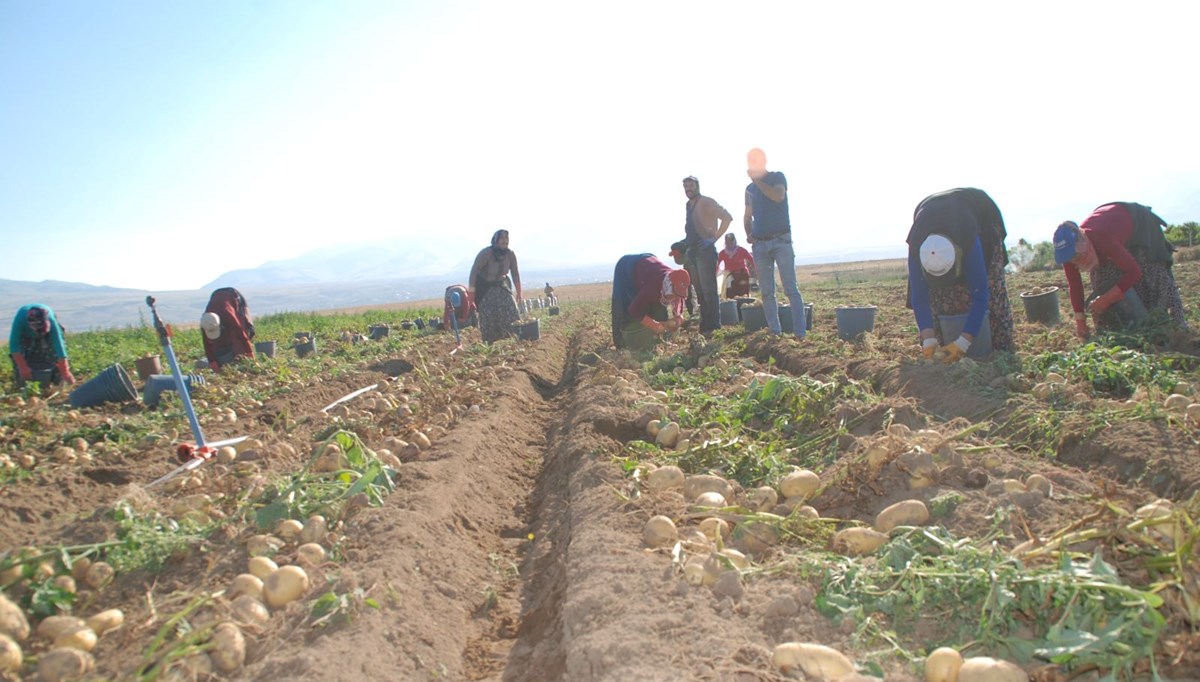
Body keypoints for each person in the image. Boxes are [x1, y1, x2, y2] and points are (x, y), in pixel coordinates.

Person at [907, 188, 1015, 362]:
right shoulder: (916, 245)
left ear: (959, 256)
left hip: (981, 218)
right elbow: (919, 296)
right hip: (929, 214)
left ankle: (1000, 350)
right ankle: (942, 344)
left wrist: (964, 343)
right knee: (942, 298)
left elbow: (981, 294)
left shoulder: (970, 242)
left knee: (993, 289)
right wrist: (928, 338)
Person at [1054, 202, 1186, 338]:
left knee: (1151, 272)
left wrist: (1107, 299)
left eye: (1078, 255)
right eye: (1072, 258)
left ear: (1083, 241)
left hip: (1139, 225)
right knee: (1102, 281)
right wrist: (1081, 323)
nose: (1077, 261)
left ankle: (1172, 325)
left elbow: (1134, 272)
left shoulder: (1101, 237)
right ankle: (1120, 329)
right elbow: (1075, 286)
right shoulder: (1068, 255)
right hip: (1113, 234)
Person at [744, 148, 805, 339]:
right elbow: (747, 214)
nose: (752, 163)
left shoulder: (777, 177)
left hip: (781, 240)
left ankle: (800, 333)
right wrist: (749, 232)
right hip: (760, 244)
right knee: (767, 292)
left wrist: (757, 181)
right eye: (749, 160)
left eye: (755, 159)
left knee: (790, 288)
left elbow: (778, 196)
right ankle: (775, 332)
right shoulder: (749, 189)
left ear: (763, 161)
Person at [681, 176, 733, 336]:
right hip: (693, 252)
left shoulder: (706, 202)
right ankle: (705, 326)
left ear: (697, 186)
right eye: (685, 186)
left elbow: (727, 217)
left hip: (705, 251)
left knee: (709, 290)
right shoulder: (688, 205)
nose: (688, 189)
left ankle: (714, 327)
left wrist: (714, 238)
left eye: (691, 185)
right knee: (699, 291)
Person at [611, 254, 691, 350]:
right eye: (673, 295)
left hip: (649, 265)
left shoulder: (676, 283)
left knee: (660, 311)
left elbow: (679, 300)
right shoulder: (652, 288)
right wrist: (653, 324)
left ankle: (658, 341)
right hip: (626, 267)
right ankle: (622, 345)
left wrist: (678, 317)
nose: (674, 298)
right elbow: (634, 309)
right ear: (667, 288)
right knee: (624, 307)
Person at [469, 229, 523, 344]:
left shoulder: (510, 255)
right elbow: (474, 272)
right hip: (484, 288)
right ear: (496, 240)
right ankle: (490, 343)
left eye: (506, 238)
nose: (505, 241)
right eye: (502, 238)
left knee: (511, 308)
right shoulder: (485, 254)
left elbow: (515, 273)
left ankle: (514, 338)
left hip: (501, 285)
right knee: (488, 313)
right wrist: (471, 295)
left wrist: (519, 292)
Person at [9, 304, 74, 386]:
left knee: (52, 353)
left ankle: (57, 379)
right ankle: (24, 383)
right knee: (24, 356)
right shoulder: (20, 320)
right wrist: (23, 367)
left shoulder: (51, 320)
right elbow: (14, 347)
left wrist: (65, 372)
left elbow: (59, 345)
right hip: (26, 335)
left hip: (48, 332)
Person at [201, 287, 255, 372]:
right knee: (218, 343)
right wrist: (212, 361)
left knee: (238, 338)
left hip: (234, 297)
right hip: (217, 297)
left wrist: (249, 352)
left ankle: (242, 362)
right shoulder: (206, 321)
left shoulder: (228, 314)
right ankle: (226, 363)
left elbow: (240, 332)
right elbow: (207, 344)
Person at [718, 232, 756, 299]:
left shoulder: (741, 250)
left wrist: (757, 271)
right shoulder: (722, 253)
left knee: (744, 296)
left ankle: (744, 308)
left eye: (731, 242)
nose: (729, 244)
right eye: (727, 242)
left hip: (742, 275)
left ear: (734, 241)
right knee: (730, 296)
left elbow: (752, 260)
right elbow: (717, 266)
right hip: (730, 277)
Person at [668, 240, 699, 317]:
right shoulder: (683, 244)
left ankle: (698, 310)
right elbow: (680, 261)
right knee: (687, 293)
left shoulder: (693, 247)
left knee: (698, 290)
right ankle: (691, 312)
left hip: (695, 268)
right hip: (688, 269)